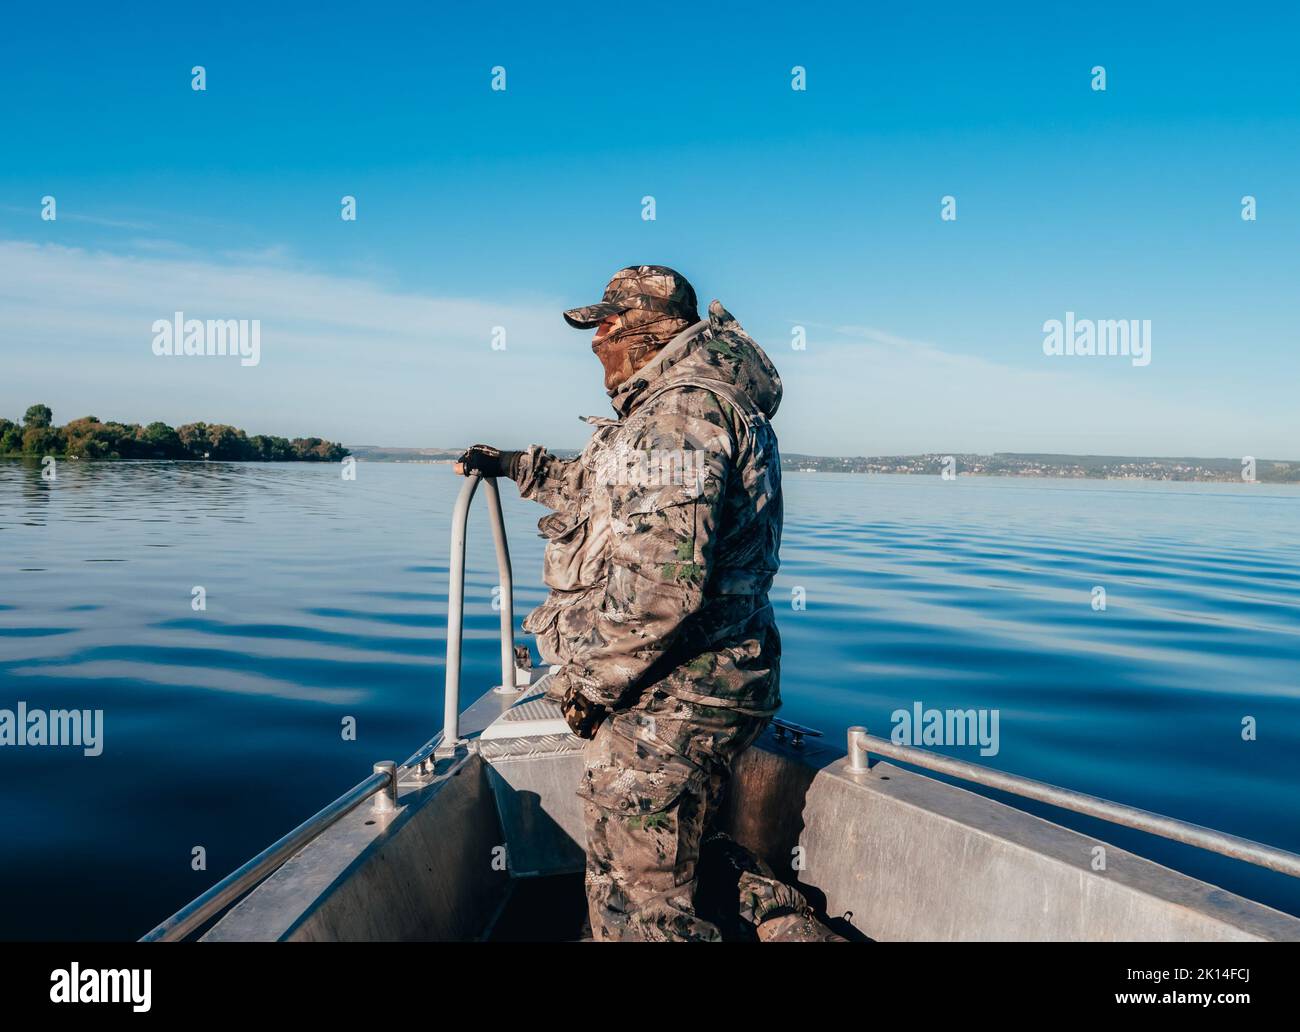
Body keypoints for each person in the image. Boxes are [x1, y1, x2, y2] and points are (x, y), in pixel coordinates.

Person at [456, 265, 843, 941]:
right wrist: (518, 465)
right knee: (681, 852)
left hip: (669, 701)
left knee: (637, 910)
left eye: (603, 326)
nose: (596, 343)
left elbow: (660, 591)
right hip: (704, 689)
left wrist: (589, 687)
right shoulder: (678, 408)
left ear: (640, 330)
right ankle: (784, 925)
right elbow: (599, 486)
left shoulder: (678, 418)